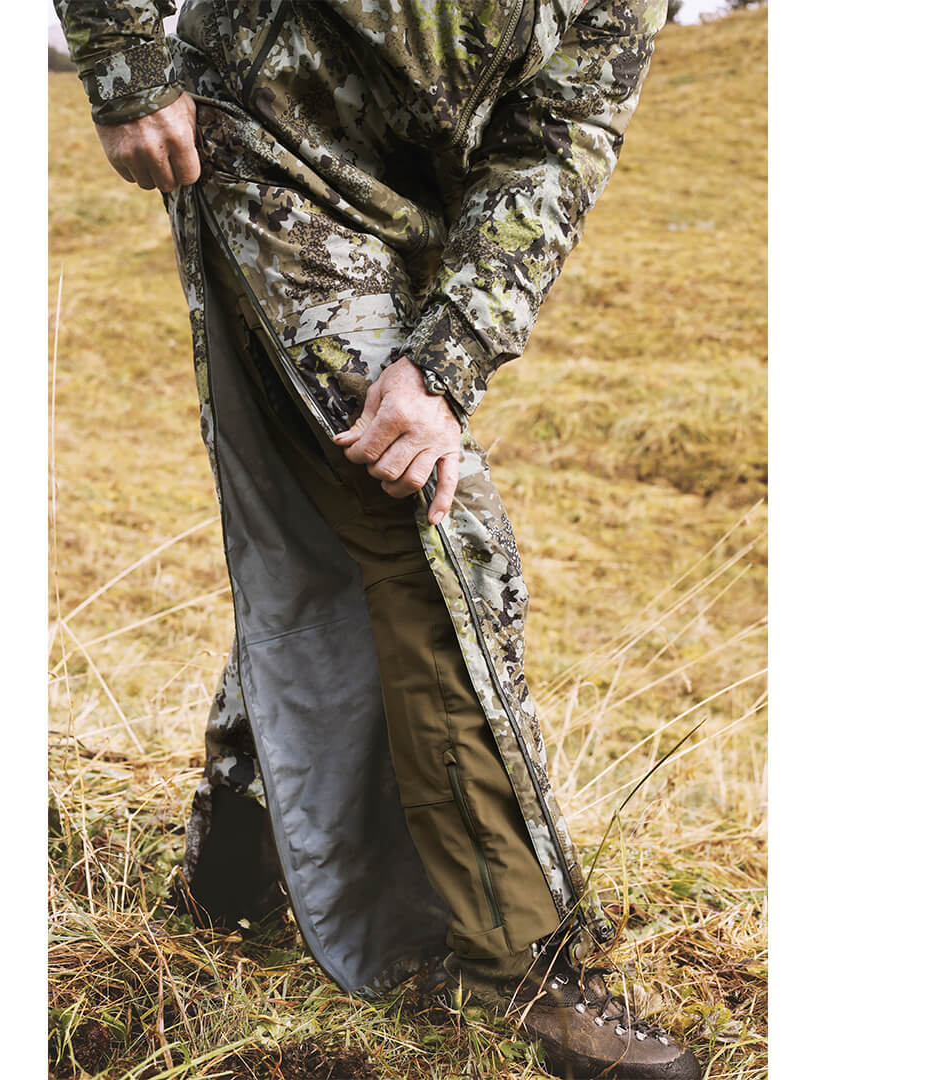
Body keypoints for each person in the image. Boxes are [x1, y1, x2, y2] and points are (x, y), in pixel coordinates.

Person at [53, 1, 701, 1076]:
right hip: (264, 144)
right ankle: (518, 962)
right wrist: (125, 61)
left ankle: (240, 858)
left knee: (330, 532)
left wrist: (447, 358)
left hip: (418, 222)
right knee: (435, 526)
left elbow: (558, 142)